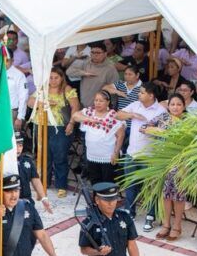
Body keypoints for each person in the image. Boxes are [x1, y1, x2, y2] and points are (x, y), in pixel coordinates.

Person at [116, 83, 167, 219]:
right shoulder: (135, 105)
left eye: (142, 92)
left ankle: (150, 216)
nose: (139, 94)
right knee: (130, 184)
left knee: (150, 187)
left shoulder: (161, 111)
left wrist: (149, 129)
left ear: (151, 95)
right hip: (132, 153)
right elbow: (118, 115)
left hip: (150, 156)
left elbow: (164, 132)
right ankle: (129, 212)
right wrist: (132, 114)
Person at [27, 67, 80, 197]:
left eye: (56, 77)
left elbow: (75, 107)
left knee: (59, 156)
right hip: (42, 125)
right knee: (44, 155)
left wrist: (71, 123)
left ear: (62, 77)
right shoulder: (42, 89)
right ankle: (44, 182)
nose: (53, 80)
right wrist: (43, 102)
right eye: (51, 77)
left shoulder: (67, 90)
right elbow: (30, 102)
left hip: (60, 126)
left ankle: (61, 185)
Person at [144, 93, 188, 240]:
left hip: (179, 163)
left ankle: (177, 226)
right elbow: (144, 127)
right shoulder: (163, 118)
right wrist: (159, 131)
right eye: (172, 104)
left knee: (178, 196)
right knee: (165, 195)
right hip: (161, 162)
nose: (175, 107)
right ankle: (166, 224)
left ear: (184, 106)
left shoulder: (188, 121)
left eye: (178, 104)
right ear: (168, 106)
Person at [72, 90, 125, 186]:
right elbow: (75, 115)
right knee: (95, 183)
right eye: (96, 100)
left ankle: (107, 201)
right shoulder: (89, 112)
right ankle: (97, 201)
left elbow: (120, 135)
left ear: (108, 102)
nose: (97, 103)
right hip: (92, 155)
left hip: (107, 157)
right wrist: (89, 119)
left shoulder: (113, 116)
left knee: (107, 184)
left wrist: (116, 153)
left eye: (101, 101)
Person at [67, 41, 120, 108]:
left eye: (98, 53)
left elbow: (115, 89)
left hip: (100, 107)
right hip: (84, 105)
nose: (95, 55)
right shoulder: (86, 62)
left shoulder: (110, 69)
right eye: (92, 52)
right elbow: (69, 71)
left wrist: (111, 107)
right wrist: (84, 73)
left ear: (105, 54)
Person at [12, 132, 53, 213]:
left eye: (20, 145)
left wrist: (44, 198)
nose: (18, 149)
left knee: (38, 224)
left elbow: (35, 180)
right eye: (15, 145)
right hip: (11, 203)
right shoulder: (3, 164)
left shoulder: (27, 161)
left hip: (27, 201)